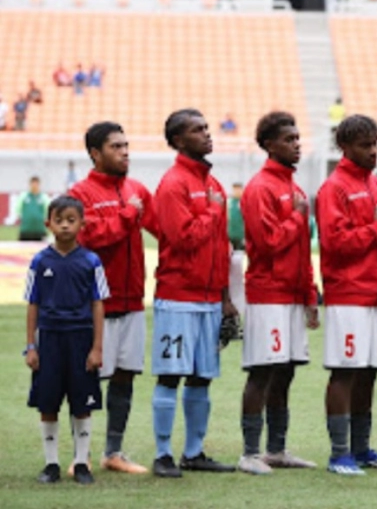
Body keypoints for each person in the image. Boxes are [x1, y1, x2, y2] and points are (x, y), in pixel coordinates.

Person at [150, 108, 237, 477]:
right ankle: (163, 454)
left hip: (209, 299)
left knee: (203, 375)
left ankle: (194, 452)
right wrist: (214, 214)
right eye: (197, 130)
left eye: (206, 127)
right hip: (178, 296)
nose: (207, 133)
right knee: (171, 374)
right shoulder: (173, 184)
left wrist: (226, 298)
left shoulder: (212, 184)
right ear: (178, 141)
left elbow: (221, 249)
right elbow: (182, 239)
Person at [68, 121, 159, 475]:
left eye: (126, 145)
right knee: (88, 379)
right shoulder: (80, 193)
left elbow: (163, 230)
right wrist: (125, 215)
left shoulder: (137, 189)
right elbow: (89, 238)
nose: (125, 152)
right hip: (94, 305)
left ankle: (113, 453)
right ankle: (81, 456)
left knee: (125, 375)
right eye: (116, 146)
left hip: (133, 299)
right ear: (95, 153)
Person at [317, 115, 377, 475]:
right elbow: (334, 244)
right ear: (345, 147)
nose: (373, 152)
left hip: (376, 295)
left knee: (368, 371)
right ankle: (339, 454)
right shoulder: (333, 188)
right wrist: (373, 227)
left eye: (375, 145)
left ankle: (362, 448)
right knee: (345, 371)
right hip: (348, 294)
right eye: (365, 146)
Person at [237, 111, 318, 475]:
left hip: (292, 295)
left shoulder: (294, 188)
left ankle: (276, 449)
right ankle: (249, 453)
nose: (296, 145)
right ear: (270, 145)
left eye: (298, 138)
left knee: (285, 371)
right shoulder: (260, 188)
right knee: (262, 371)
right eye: (289, 139)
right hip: (268, 294)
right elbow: (267, 244)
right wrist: (298, 217)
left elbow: (302, 250)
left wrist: (310, 296)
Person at [24, 195, 109, 484]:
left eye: (71, 220)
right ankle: (51, 465)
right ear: (48, 224)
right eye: (59, 220)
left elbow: (98, 304)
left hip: (80, 339)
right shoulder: (39, 262)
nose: (64, 226)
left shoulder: (90, 261)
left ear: (82, 224)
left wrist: (97, 347)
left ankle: (81, 463)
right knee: (47, 403)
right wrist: (31, 346)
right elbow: (32, 304)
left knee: (81, 402)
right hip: (49, 340)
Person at [227, 182, 245, 318]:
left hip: (241, 239)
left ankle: (240, 294)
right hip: (231, 238)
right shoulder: (230, 203)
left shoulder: (243, 203)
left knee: (239, 263)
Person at [18, 176, 49, 241]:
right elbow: (18, 210)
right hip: (25, 230)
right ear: (30, 184)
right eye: (33, 183)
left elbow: (48, 211)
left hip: (40, 230)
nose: (34, 185)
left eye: (36, 184)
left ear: (39, 185)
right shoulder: (23, 196)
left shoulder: (44, 197)